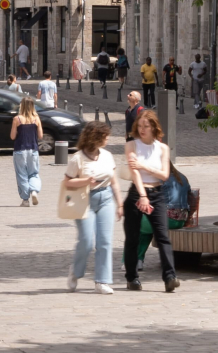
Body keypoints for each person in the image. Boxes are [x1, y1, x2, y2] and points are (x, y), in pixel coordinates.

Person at [121, 110, 178, 292]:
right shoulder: (131, 145)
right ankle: (132, 278)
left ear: (154, 127)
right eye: (140, 126)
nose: (142, 129)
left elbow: (164, 174)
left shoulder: (162, 148)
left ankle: (170, 277)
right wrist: (142, 195)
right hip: (137, 194)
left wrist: (145, 166)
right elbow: (134, 172)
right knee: (133, 238)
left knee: (162, 236)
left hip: (157, 193)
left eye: (146, 126)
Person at [64, 123, 124, 294]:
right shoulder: (77, 158)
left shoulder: (107, 155)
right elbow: (67, 181)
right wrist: (84, 181)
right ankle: (75, 272)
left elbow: (114, 182)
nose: (108, 139)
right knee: (86, 241)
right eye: (105, 136)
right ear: (96, 137)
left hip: (105, 199)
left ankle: (102, 281)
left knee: (105, 241)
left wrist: (120, 204)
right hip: (84, 200)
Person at [11, 96, 44, 207]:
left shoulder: (17, 119)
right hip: (33, 149)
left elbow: (12, 136)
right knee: (34, 173)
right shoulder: (36, 118)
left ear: (22, 106)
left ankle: (25, 200)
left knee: (21, 175)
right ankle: (34, 191)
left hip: (20, 149)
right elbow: (40, 136)